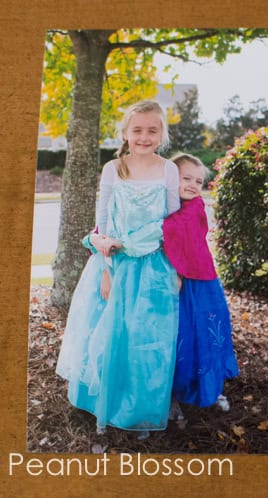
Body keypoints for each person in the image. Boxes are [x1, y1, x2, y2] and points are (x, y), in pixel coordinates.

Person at [56, 100, 180, 439]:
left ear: (161, 134)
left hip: (154, 266)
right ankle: (105, 402)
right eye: (137, 130)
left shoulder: (168, 169)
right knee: (109, 334)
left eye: (152, 130)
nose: (144, 136)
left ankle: (140, 407)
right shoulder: (114, 169)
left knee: (146, 337)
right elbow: (103, 221)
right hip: (114, 263)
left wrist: (176, 270)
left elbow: (173, 222)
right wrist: (107, 270)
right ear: (125, 133)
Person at [163, 153, 239, 416]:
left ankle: (210, 388)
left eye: (199, 181)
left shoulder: (195, 206)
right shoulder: (166, 203)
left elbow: (176, 228)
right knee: (181, 336)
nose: (194, 185)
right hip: (180, 284)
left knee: (208, 333)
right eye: (187, 178)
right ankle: (174, 393)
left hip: (201, 281)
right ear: (170, 177)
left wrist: (153, 227)